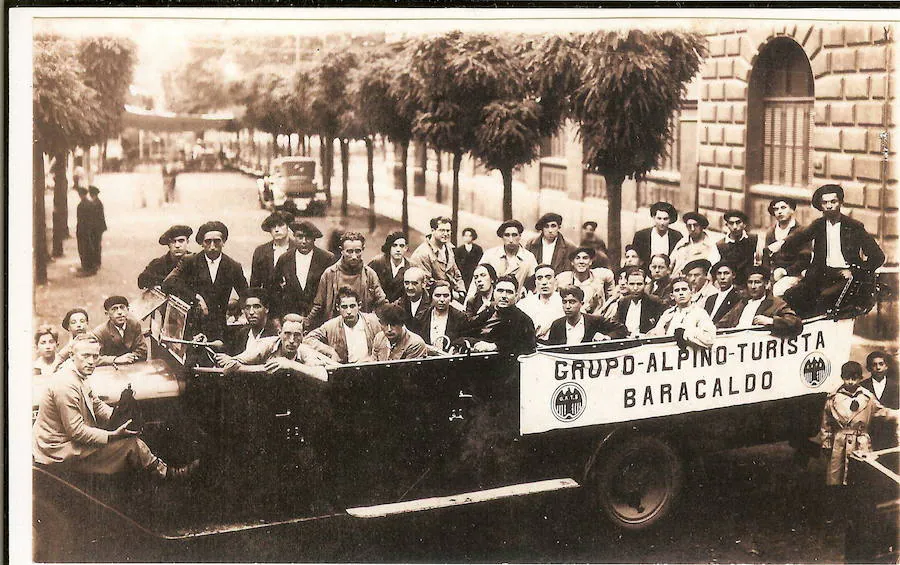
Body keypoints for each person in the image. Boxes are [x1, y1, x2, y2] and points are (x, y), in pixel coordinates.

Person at [32, 334, 198, 480]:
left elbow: (95, 404)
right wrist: (112, 436)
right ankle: (167, 474)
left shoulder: (76, 372)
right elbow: (76, 431)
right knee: (131, 444)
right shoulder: (66, 384)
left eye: (95, 356)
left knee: (130, 435)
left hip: (60, 441)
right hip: (60, 451)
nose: (91, 361)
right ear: (72, 355)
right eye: (86, 356)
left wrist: (119, 418)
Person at [783, 184, 886, 317]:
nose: (829, 206)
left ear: (840, 203)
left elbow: (878, 256)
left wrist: (855, 270)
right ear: (820, 205)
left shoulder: (853, 227)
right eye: (825, 202)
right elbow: (799, 238)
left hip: (845, 278)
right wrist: (781, 243)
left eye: (833, 202)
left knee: (824, 299)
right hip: (822, 274)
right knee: (792, 295)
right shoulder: (819, 225)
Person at [163, 220, 249, 341]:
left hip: (219, 328)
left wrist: (240, 311)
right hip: (191, 325)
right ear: (202, 243)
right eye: (208, 241)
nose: (212, 246)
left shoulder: (233, 266)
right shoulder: (190, 261)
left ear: (223, 242)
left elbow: (246, 295)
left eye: (217, 241)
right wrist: (195, 297)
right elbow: (168, 283)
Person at [819, 361, 898, 486]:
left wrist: (896, 414)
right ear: (842, 377)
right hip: (840, 442)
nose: (850, 382)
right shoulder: (833, 398)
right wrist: (826, 443)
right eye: (847, 378)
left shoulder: (867, 397)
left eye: (854, 378)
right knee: (837, 477)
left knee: (861, 477)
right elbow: (826, 423)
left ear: (860, 379)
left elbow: (881, 412)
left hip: (861, 442)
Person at [306, 232, 387, 329]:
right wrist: (306, 323)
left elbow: (381, 302)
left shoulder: (369, 274)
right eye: (349, 251)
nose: (354, 256)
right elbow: (319, 305)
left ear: (363, 249)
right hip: (335, 329)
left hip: (362, 328)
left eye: (358, 251)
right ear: (342, 251)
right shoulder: (330, 274)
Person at [220, 314, 334, 379]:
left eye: (297, 335)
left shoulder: (304, 350)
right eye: (287, 334)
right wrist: (265, 368)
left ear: (303, 336)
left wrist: (290, 364)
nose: (292, 340)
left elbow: (323, 375)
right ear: (279, 333)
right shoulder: (265, 345)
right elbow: (230, 365)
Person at [270, 221, 334, 319]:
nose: (304, 241)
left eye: (308, 238)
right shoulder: (285, 259)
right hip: (290, 316)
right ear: (294, 237)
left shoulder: (326, 258)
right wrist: (277, 317)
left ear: (314, 239)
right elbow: (275, 289)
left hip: (318, 318)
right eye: (300, 237)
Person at [303, 287, 384, 364]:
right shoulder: (331, 326)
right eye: (344, 307)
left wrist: (374, 357)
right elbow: (308, 339)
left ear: (359, 305)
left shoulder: (373, 322)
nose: (349, 311)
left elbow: (386, 338)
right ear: (338, 308)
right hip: (345, 371)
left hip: (370, 368)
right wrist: (329, 350)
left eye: (352, 306)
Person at [459, 275, 536, 354]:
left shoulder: (523, 320)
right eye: (500, 291)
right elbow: (465, 331)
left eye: (509, 292)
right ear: (494, 293)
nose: (503, 296)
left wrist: (495, 346)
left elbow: (528, 346)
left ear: (516, 296)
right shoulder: (488, 312)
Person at [716, 266, 803, 336]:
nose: (753, 286)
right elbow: (722, 323)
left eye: (757, 282)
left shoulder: (776, 303)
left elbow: (796, 323)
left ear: (766, 284)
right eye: (750, 282)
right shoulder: (742, 304)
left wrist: (771, 321)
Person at [647, 275, 716, 349]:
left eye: (684, 289)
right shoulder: (668, 314)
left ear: (691, 293)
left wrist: (686, 333)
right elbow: (657, 336)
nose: (681, 293)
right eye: (677, 290)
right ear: (672, 296)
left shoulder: (699, 313)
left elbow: (710, 338)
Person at [544, 286, 627, 345]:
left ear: (581, 304)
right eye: (564, 302)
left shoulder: (595, 321)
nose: (567, 306)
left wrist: (606, 337)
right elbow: (552, 349)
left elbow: (621, 329)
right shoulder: (557, 325)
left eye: (572, 302)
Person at [409, 216, 466, 301]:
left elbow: (456, 273)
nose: (446, 234)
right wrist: (452, 294)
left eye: (448, 231)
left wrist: (461, 292)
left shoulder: (448, 248)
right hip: (431, 300)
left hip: (451, 297)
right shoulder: (422, 254)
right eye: (442, 230)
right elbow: (427, 284)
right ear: (433, 231)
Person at [761, 197, 809, 297]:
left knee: (778, 291)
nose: (779, 212)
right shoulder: (771, 232)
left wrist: (785, 271)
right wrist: (767, 277)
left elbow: (804, 260)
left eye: (783, 208)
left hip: (794, 274)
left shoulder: (801, 231)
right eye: (776, 209)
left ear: (792, 210)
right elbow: (766, 256)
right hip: (774, 274)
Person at [214, 288, 280, 356]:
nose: (251, 312)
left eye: (256, 307)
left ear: (266, 309)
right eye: (247, 308)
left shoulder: (275, 335)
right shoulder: (242, 334)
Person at [479, 220, 538, 294]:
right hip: (493, 301)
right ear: (502, 237)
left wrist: (526, 290)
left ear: (520, 236)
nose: (511, 240)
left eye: (514, 235)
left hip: (518, 302)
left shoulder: (528, 257)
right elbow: (476, 280)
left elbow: (536, 282)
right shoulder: (490, 255)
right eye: (507, 235)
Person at [555, 247, 616, 314]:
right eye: (577, 258)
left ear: (590, 262)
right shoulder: (563, 279)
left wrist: (602, 310)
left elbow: (612, 297)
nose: (581, 262)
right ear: (572, 262)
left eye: (585, 258)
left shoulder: (601, 276)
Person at [93, 295, 147, 366]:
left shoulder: (134, 325)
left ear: (128, 310)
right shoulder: (100, 332)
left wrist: (129, 358)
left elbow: (142, 351)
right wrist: (116, 359)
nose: (119, 312)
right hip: (110, 370)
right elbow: (95, 358)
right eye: (114, 309)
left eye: (122, 307)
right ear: (107, 314)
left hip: (133, 366)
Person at [862, 351, 899, 451]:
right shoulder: (862, 387)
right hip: (868, 436)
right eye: (874, 365)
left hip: (889, 437)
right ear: (869, 368)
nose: (878, 368)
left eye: (881, 364)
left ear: (886, 366)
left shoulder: (896, 387)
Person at [517, 264, 565, 341]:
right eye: (540, 278)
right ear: (535, 282)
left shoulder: (564, 302)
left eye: (548, 277)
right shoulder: (524, 304)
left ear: (555, 281)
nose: (544, 282)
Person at [418, 280, 468, 353]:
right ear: (431, 296)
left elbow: (465, 338)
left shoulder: (460, 317)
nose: (442, 299)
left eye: (446, 295)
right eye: (437, 295)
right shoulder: (421, 317)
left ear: (451, 297)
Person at [616, 267, 667, 336]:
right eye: (631, 284)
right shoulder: (623, 302)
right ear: (627, 284)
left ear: (645, 284)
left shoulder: (654, 302)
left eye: (639, 284)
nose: (635, 288)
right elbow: (617, 326)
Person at [138, 225, 193, 290]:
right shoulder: (158, 264)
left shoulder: (196, 261)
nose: (177, 245)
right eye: (173, 242)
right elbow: (141, 281)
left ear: (187, 242)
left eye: (181, 241)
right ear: (168, 245)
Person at [250, 211, 294, 289]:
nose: (277, 230)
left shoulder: (297, 249)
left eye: (281, 225)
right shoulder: (261, 251)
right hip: (268, 299)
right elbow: (254, 285)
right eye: (273, 226)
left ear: (288, 227)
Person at [631, 201, 683, 267]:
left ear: (670, 220)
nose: (662, 222)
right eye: (659, 218)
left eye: (665, 219)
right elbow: (635, 258)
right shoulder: (641, 236)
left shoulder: (676, 236)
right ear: (653, 217)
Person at [715, 210, 760, 285]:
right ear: (727, 225)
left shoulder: (753, 239)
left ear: (744, 224)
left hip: (749, 283)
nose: (735, 227)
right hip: (729, 284)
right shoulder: (720, 245)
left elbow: (758, 262)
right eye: (731, 223)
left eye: (738, 222)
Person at [670, 211, 720, 275]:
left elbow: (713, 269)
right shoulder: (682, 243)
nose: (692, 229)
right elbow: (670, 263)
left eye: (695, 225)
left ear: (702, 227)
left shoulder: (710, 246)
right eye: (689, 226)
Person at [368, 231, 410, 303]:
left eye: (401, 246)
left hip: (401, 308)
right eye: (394, 245)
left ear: (406, 248)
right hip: (378, 305)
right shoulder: (378, 262)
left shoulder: (410, 267)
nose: (398, 249)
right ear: (389, 247)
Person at [75, 186, 106, 277]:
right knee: (93, 246)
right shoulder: (92, 203)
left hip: (94, 228)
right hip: (94, 228)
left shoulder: (94, 204)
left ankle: (93, 265)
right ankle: (93, 264)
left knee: (93, 246)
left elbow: (93, 218)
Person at [393, 267, 431, 337]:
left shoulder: (432, 305)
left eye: (414, 283)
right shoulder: (398, 305)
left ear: (423, 284)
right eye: (407, 283)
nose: (410, 287)